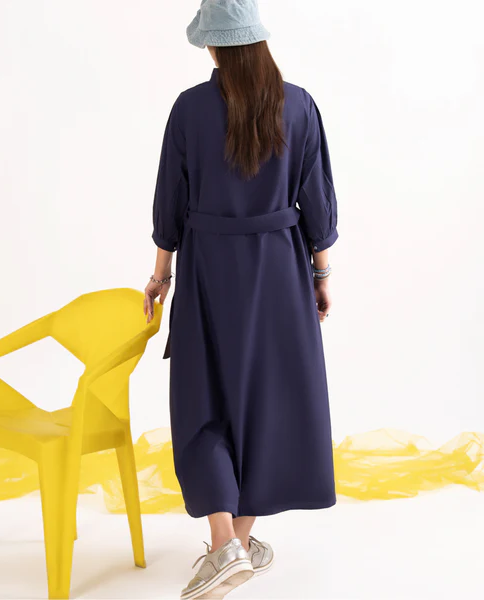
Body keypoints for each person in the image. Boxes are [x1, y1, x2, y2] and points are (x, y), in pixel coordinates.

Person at [143, 1, 338, 598]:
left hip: (209, 269)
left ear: (213, 45)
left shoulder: (189, 109)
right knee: (268, 404)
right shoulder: (299, 105)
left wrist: (161, 274)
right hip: (280, 271)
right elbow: (317, 202)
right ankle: (237, 544)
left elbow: (170, 202)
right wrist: (320, 273)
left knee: (204, 397)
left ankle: (225, 543)